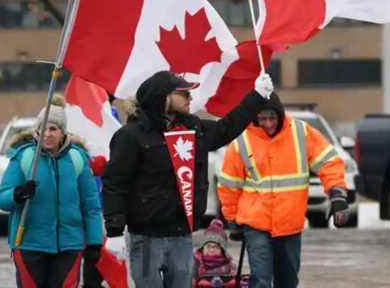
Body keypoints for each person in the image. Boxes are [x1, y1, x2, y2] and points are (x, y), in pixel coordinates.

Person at [102, 70, 273, 288]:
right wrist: (114, 231)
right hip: (145, 238)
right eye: (183, 94)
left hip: (181, 235)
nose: (190, 99)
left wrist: (256, 97)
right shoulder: (131, 135)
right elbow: (115, 183)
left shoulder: (193, 129)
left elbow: (226, 128)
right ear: (163, 97)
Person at [217, 93, 350, 288]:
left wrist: (337, 194)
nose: (268, 124)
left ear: (280, 115)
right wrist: (232, 218)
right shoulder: (242, 141)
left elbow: (329, 161)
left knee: (287, 281)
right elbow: (230, 184)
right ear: (255, 117)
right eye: (262, 119)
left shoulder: (300, 133)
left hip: (290, 224)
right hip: (256, 224)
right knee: (260, 280)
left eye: (272, 118)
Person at [0, 96, 104, 288]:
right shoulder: (24, 157)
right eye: (43, 128)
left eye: (53, 129)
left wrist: (94, 242)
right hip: (29, 244)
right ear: (36, 131)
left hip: (69, 246)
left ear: (63, 132)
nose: (47, 134)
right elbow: (2, 199)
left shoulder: (77, 159)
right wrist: (18, 194)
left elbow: (91, 206)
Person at [193, 219, 238, 288]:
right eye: (208, 247)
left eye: (216, 247)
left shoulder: (230, 265)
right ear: (203, 248)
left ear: (222, 250)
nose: (211, 250)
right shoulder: (196, 263)